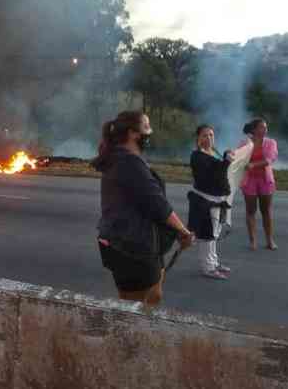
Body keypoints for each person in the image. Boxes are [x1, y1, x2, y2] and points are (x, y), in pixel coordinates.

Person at [94, 110, 194, 306]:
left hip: (125, 242)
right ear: (133, 133)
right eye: (147, 128)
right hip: (132, 248)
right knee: (135, 308)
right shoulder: (128, 162)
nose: (150, 132)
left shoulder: (120, 157)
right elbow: (158, 205)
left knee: (152, 295)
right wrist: (183, 231)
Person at [189, 125, 234, 280]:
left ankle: (213, 262)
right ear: (198, 138)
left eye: (211, 135)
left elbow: (220, 169)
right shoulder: (197, 156)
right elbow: (213, 175)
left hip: (217, 199)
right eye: (204, 135)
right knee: (207, 235)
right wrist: (226, 161)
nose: (208, 138)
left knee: (214, 234)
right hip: (206, 200)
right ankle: (207, 267)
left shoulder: (212, 152)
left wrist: (225, 157)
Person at [240, 118, 278, 250]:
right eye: (262, 127)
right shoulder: (245, 143)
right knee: (250, 211)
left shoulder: (271, 143)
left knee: (266, 211)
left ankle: (269, 240)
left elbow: (269, 159)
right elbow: (239, 158)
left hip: (265, 180)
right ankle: (253, 241)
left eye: (266, 128)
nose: (265, 130)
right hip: (249, 180)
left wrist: (253, 164)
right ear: (254, 129)